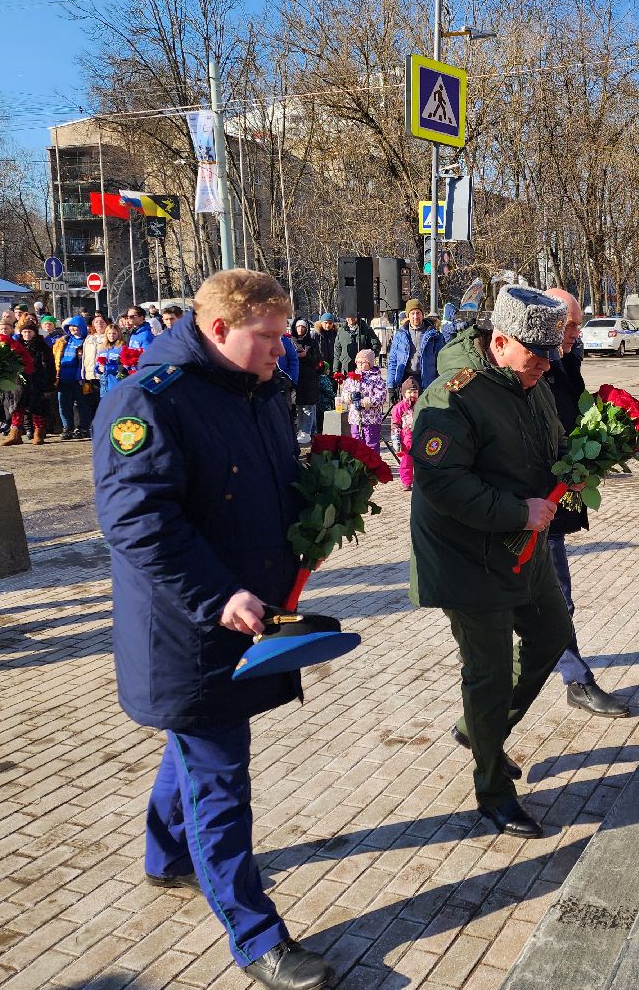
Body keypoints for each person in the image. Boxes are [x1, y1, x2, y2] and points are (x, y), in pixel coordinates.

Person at [92, 269, 337, 990]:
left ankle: (167, 857)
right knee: (219, 779)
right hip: (190, 627)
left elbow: (267, 481)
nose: (280, 348)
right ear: (218, 328)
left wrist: (310, 528)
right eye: (266, 336)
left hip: (245, 610)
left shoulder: (258, 389)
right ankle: (257, 936)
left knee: (198, 752)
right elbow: (135, 520)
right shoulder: (148, 400)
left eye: (283, 333)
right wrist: (217, 593)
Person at [409, 286, 576, 839]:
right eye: (538, 355)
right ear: (499, 342)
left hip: (521, 548)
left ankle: (478, 731)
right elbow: (441, 480)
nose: (547, 366)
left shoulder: (531, 384)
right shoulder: (452, 395)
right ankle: (493, 792)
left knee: (552, 636)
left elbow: (548, 447)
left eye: (552, 354)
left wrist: (585, 458)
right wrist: (514, 510)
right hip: (467, 557)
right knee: (486, 674)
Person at [543, 288, 630, 718]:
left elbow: (569, 415)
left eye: (578, 325)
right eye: (571, 325)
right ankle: (575, 680)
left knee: (553, 596)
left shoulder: (563, 359)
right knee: (556, 597)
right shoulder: (530, 368)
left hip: (557, 499)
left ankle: (565, 672)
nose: (577, 334)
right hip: (533, 503)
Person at [386, 299, 443, 397]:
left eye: (418, 313)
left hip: (427, 381)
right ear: (408, 316)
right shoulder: (400, 335)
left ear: (422, 315)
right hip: (406, 380)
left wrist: (440, 383)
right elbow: (393, 361)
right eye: (412, 313)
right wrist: (391, 386)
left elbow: (441, 361)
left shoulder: (434, 335)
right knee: (407, 411)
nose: (415, 316)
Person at [14, 316, 56, 445]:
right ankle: (15, 434)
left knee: (37, 408)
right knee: (17, 408)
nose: (27, 334)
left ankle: (39, 433)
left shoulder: (42, 347)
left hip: (37, 382)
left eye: (29, 332)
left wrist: (49, 385)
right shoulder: (16, 346)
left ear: (34, 333)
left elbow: (49, 366)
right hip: (19, 382)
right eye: (24, 332)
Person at [336, 349, 386, 454]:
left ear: (370, 363)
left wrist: (366, 402)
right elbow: (345, 393)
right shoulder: (352, 378)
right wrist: (350, 397)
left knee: (371, 444)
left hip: (371, 418)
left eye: (363, 362)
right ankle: (359, 466)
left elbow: (381, 397)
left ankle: (372, 467)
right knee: (356, 443)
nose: (360, 364)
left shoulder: (376, 379)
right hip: (355, 417)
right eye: (358, 362)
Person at [54, 315, 91, 439]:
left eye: (76, 326)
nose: (73, 329)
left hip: (79, 379)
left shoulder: (87, 341)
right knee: (63, 404)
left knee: (82, 404)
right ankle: (67, 427)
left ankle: (83, 427)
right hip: (63, 378)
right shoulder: (64, 340)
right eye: (71, 326)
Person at [390, 376, 420, 489]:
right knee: (406, 462)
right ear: (404, 393)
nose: (412, 395)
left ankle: (420, 480)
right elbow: (395, 424)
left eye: (415, 392)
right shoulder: (399, 407)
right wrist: (396, 438)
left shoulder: (420, 405)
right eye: (409, 392)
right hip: (406, 441)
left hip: (419, 438)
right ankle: (406, 482)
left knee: (420, 463)